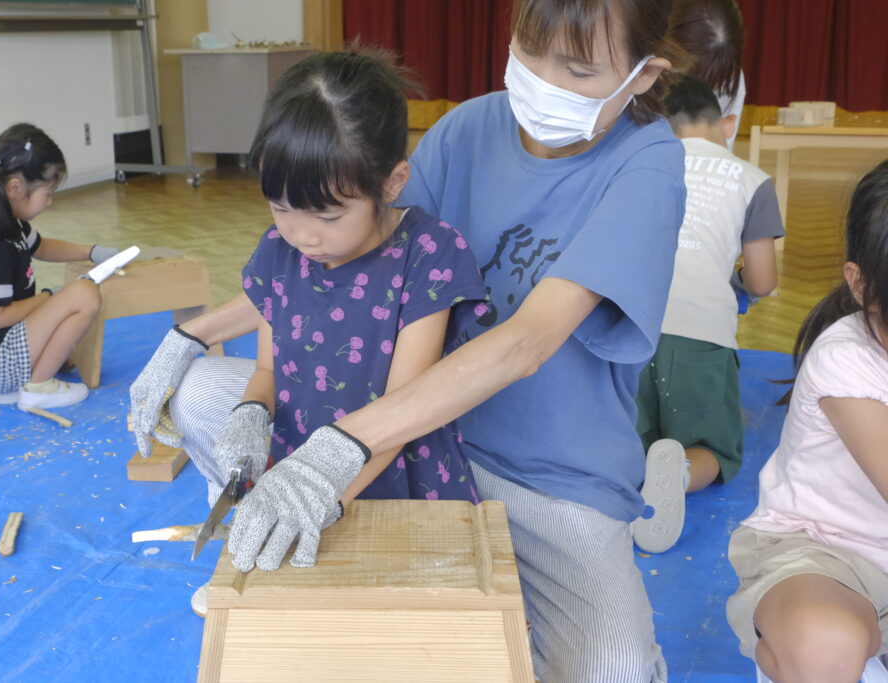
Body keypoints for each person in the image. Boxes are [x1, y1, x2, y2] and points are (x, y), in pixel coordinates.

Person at [132, 1, 690, 679]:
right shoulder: (468, 130)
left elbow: (525, 344)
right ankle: (280, 523)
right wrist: (189, 336)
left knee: (613, 670)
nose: (543, 82)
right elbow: (332, 247)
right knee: (197, 393)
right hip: (411, 440)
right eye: (530, 50)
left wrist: (335, 452)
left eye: (576, 68)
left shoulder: (648, 163)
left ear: (641, 74)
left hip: (544, 478)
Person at [726, 160, 888, 683]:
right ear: (861, 286)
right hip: (825, 554)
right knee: (825, 645)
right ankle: (801, 659)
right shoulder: (846, 357)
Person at [632, 74, 782, 554]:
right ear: (728, 124)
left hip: (630, 331)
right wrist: (735, 287)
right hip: (701, 337)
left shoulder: (640, 168)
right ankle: (678, 474)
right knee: (713, 448)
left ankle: (632, 475)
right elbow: (762, 281)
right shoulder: (751, 180)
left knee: (632, 430)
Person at [0, 123, 123, 410]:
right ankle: (39, 387)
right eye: (48, 192)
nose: (50, 201)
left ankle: (37, 374)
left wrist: (92, 252)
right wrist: (48, 297)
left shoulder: (4, 217)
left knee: (76, 293)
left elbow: (41, 247)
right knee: (84, 295)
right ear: (15, 188)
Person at [671, 0, 747, 148]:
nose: (705, 90)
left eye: (715, 82)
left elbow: (717, 155)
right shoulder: (634, 68)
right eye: (694, 74)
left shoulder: (728, 81)